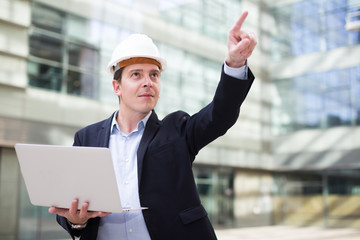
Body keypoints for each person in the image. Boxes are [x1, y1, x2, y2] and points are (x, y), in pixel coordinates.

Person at [49, 11, 257, 240]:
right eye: (136, 75)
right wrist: (75, 221)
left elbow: (220, 115)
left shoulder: (178, 130)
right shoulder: (86, 138)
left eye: (154, 75)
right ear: (117, 87)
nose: (148, 82)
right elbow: (69, 205)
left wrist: (236, 64)